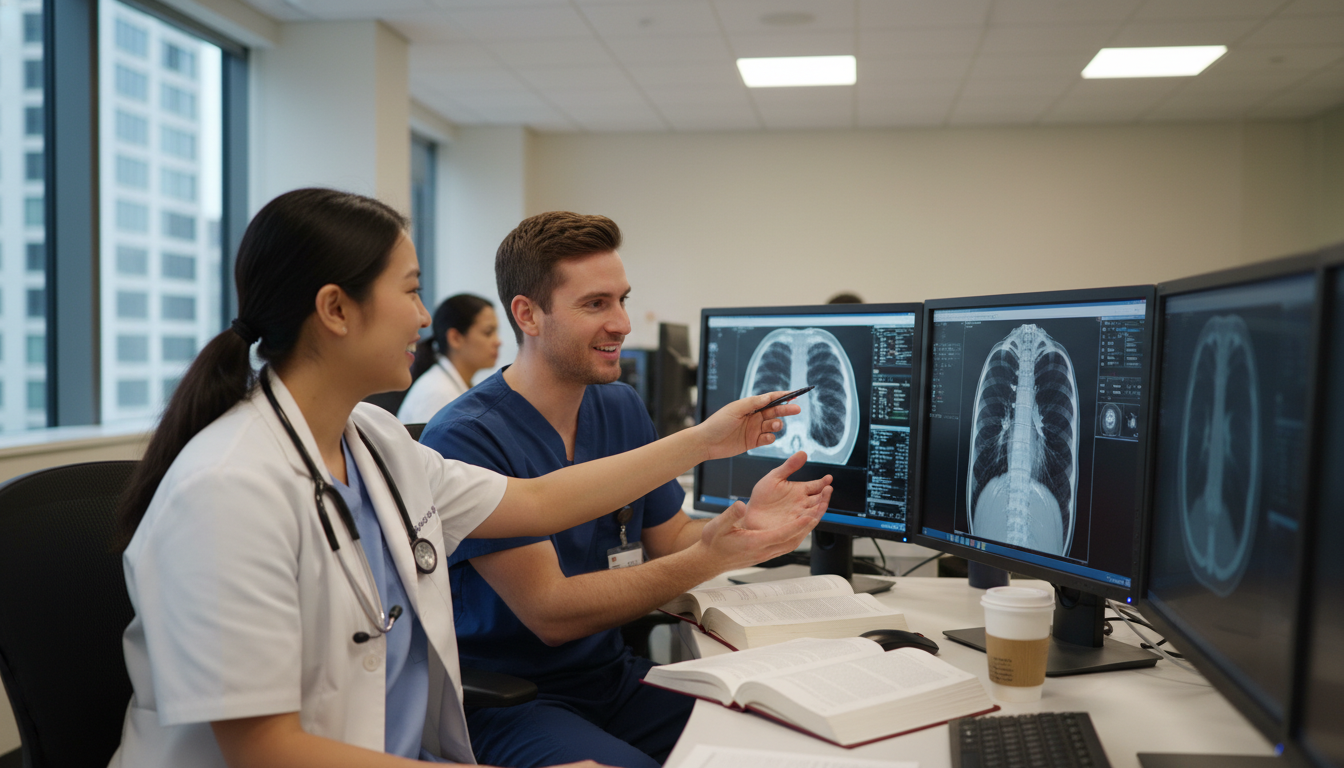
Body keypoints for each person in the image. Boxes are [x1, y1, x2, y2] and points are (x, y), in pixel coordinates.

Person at [108, 189, 832, 768]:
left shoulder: (376, 441)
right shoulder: (228, 490)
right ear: (335, 309)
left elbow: (540, 500)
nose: (427, 320)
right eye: (411, 292)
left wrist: (707, 443)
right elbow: (265, 751)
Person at [420, 211, 835, 768]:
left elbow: (669, 540)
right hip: (510, 699)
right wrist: (711, 556)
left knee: (777, 738)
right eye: (595, 304)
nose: (622, 323)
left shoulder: (619, 407)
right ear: (528, 315)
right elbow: (551, 612)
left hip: (610, 676)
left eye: (622, 299)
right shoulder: (468, 436)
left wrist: (742, 525)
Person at [398, 294, 501, 424]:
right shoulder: (436, 393)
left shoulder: (454, 386)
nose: (498, 342)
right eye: (488, 332)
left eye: (496, 332)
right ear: (455, 338)